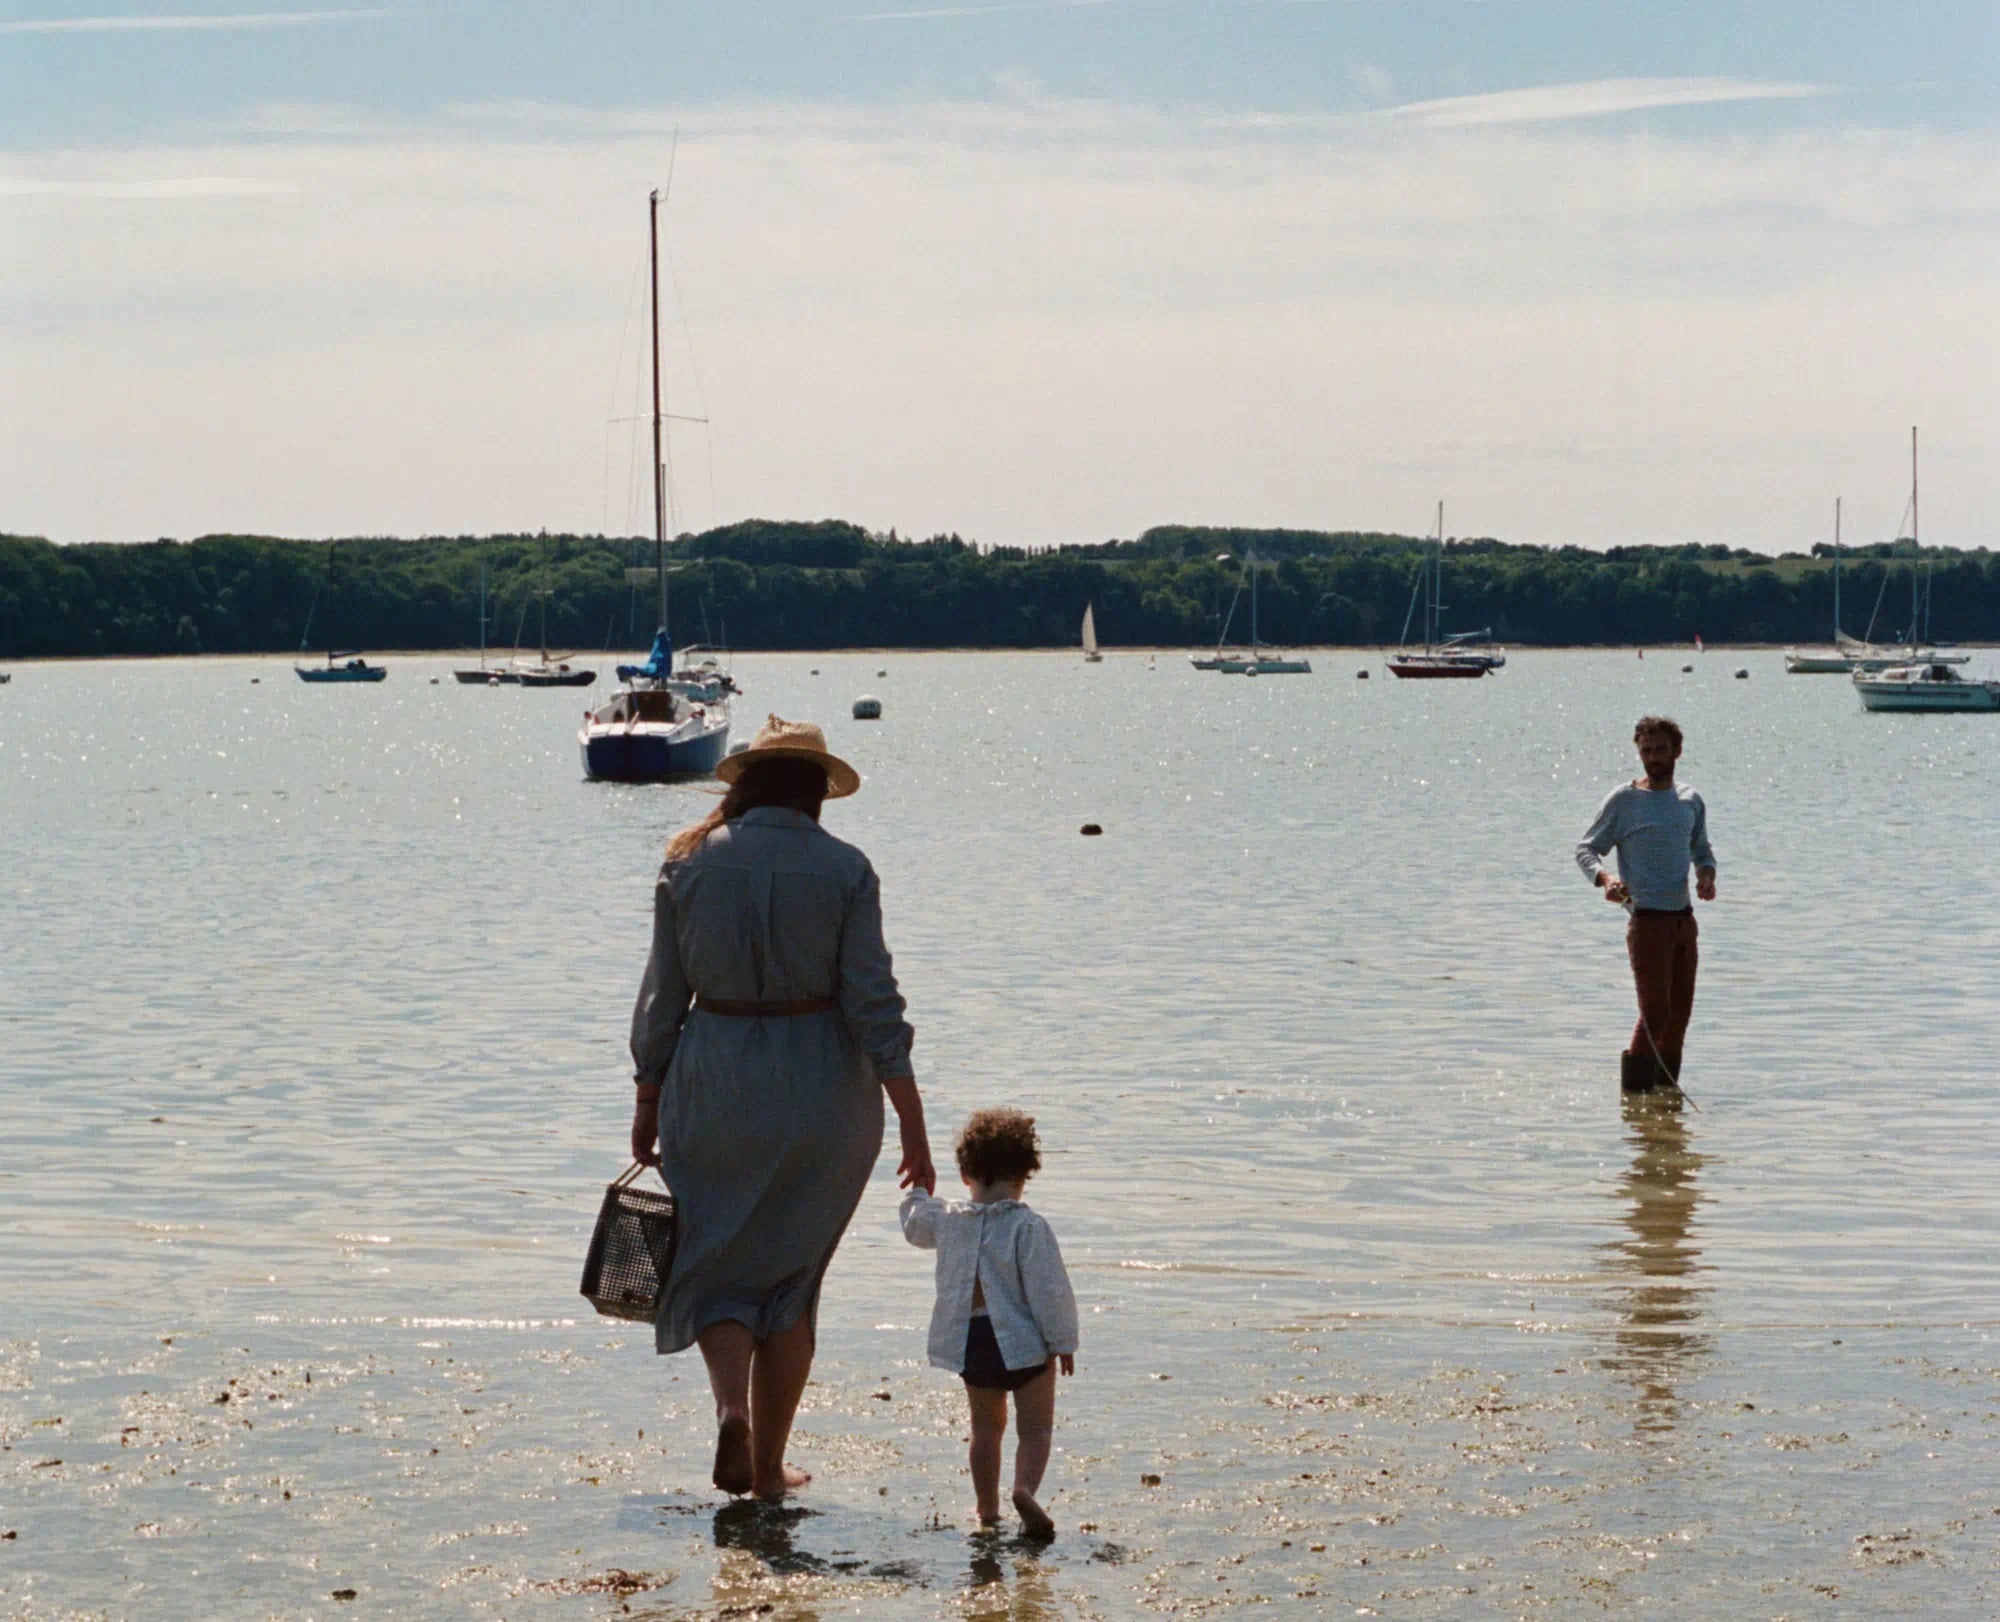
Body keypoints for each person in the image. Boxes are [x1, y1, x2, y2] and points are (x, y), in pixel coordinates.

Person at [630, 714, 936, 1499]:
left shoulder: (687, 863)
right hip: (823, 1090)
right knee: (792, 1283)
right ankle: (768, 1468)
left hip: (713, 1078)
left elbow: (663, 999)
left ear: (749, 783)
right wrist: (911, 1121)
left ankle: (731, 1408)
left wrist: (647, 1094)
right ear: (817, 791)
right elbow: (874, 1002)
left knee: (713, 1266)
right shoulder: (846, 869)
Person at [900, 1108, 1078, 1539]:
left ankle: (986, 1510)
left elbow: (913, 1225)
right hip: (1024, 1344)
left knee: (985, 1428)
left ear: (965, 1174)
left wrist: (918, 1190)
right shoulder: (1027, 1227)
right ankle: (1024, 1489)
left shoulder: (946, 1218)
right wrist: (1063, 1340)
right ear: (1024, 1175)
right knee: (1034, 1426)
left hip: (971, 1341)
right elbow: (1049, 1290)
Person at [1575, 715, 1719, 1092]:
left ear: (1677, 752)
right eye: (1646, 751)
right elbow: (1587, 849)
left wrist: (1706, 875)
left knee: (1679, 1018)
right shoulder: (1624, 801)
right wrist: (1605, 879)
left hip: (1683, 921)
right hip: (1646, 921)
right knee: (1655, 1013)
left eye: (1660, 750)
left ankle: (1665, 1105)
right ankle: (1635, 1097)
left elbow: (1702, 851)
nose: (1653, 758)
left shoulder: (1690, 801)